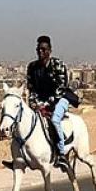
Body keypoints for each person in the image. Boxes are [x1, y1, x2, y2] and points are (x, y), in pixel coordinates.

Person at [27, 35, 71, 172]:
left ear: (50, 51)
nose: (41, 52)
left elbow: (61, 87)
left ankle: (61, 154)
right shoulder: (32, 67)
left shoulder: (58, 65)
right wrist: (35, 103)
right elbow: (31, 88)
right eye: (38, 49)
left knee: (54, 120)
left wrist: (48, 103)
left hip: (60, 100)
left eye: (43, 49)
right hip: (40, 102)